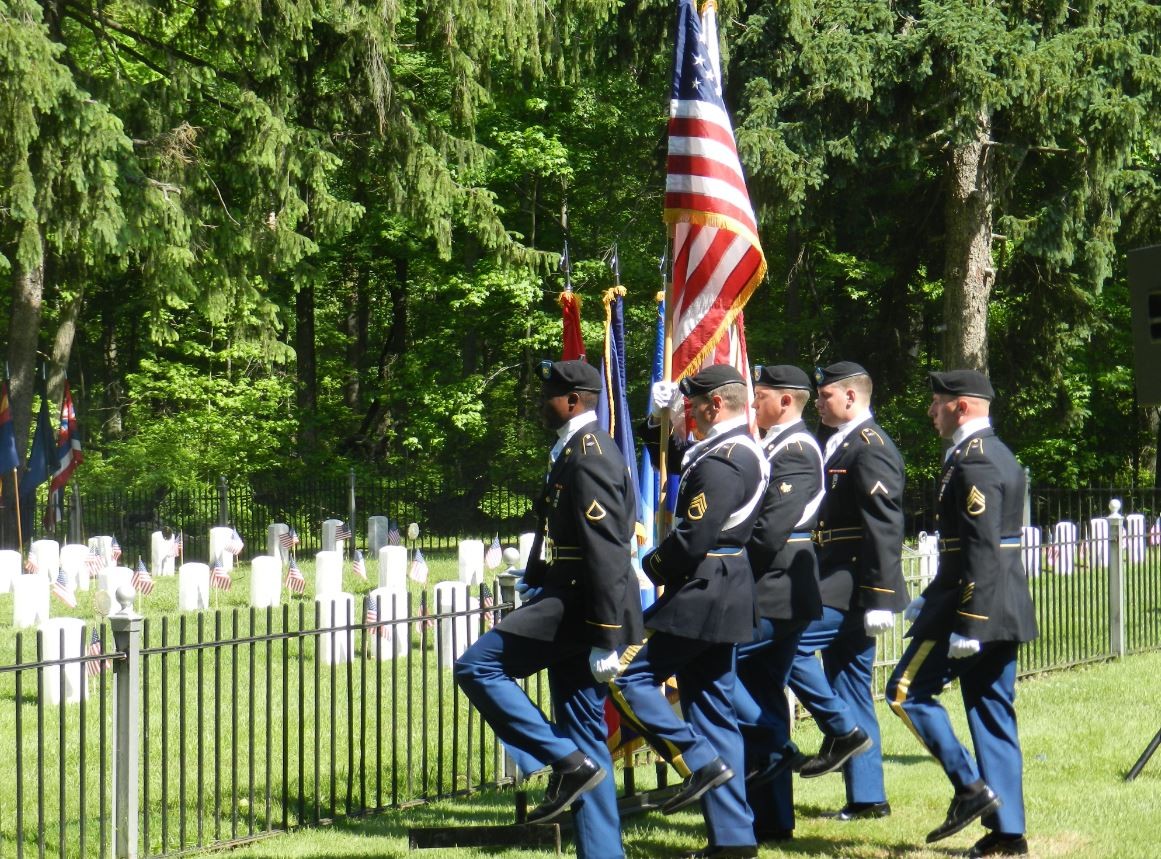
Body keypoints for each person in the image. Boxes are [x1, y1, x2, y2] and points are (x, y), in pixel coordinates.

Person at [454, 359, 644, 859]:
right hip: (568, 592)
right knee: (586, 732)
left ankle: (563, 760)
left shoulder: (591, 454)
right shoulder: (575, 450)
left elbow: (607, 550)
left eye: (551, 396)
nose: (544, 404)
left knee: (476, 666)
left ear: (574, 401)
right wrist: (534, 579)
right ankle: (602, 851)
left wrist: (607, 635)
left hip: (582, 604)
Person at [609, 364, 769, 859]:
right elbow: (671, 453)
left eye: (692, 406)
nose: (688, 414)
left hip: (703, 589)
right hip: (722, 587)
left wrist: (650, 563)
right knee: (715, 712)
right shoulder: (730, 449)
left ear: (714, 405)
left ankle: (698, 761)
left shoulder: (725, 460)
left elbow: (695, 536)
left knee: (627, 678)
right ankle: (734, 840)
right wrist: (657, 419)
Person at [886, 370, 1037, 857]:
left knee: (905, 693)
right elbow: (965, 549)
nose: (932, 411)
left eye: (938, 402)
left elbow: (981, 548)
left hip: (974, 609)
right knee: (991, 711)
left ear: (962, 407)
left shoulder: (976, 462)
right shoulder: (989, 454)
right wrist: (929, 595)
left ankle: (970, 787)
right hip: (992, 602)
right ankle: (1008, 833)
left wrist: (969, 623)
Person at [788, 361, 908, 819]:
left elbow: (884, 524)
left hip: (851, 579)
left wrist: (879, 594)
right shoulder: (834, 442)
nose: (817, 403)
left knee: (788, 646)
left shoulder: (869, 446)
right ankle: (868, 797)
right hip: (831, 571)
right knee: (852, 684)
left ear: (852, 398)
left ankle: (839, 731)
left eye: (825, 396)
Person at [732, 364, 825, 844]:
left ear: (786, 401)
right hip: (774, 586)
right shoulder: (773, 446)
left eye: (761, 394)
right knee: (765, 694)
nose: (753, 403)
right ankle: (773, 819)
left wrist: (727, 569)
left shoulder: (796, 450)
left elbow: (770, 529)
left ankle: (776, 746)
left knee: (717, 671)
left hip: (778, 587)